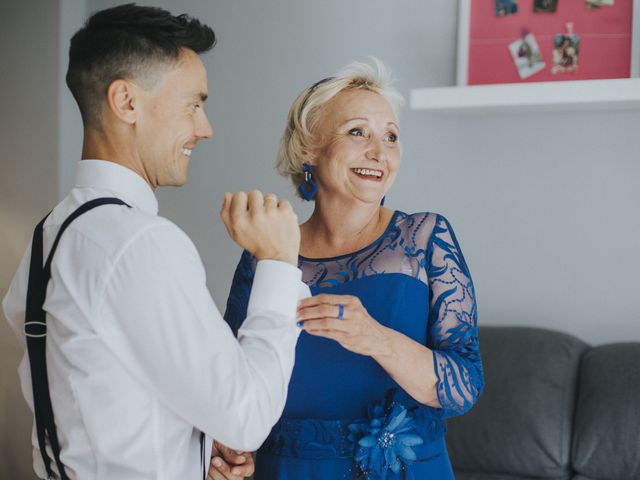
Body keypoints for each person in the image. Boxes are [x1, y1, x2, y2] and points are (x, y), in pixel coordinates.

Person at [2, 4, 309, 479]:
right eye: (194, 104)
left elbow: (95, 408)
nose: (205, 128)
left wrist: (193, 453)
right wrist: (278, 263)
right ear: (126, 102)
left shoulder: (50, 235)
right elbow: (246, 416)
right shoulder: (139, 244)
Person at [224, 59, 484, 479]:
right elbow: (232, 386)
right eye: (357, 132)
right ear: (310, 147)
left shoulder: (425, 239)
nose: (379, 153)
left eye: (391, 137)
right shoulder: (266, 253)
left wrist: (376, 339)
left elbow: (465, 386)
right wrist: (230, 453)